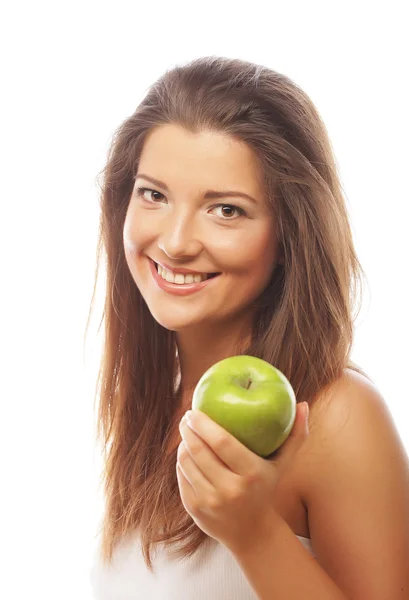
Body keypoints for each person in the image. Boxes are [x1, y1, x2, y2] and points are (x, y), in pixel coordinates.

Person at [88, 56, 409, 599]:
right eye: (154, 195)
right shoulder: (156, 402)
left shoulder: (337, 417)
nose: (175, 241)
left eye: (226, 210)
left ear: (289, 235)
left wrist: (255, 534)